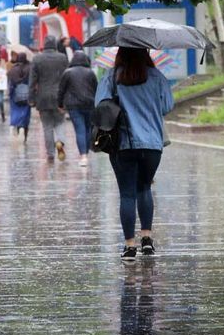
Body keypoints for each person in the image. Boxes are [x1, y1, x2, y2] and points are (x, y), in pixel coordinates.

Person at [95, 47, 174, 261]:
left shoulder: (112, 76)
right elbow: (167, 106)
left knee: (127, 193)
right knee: (144, 188)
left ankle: (129, 246)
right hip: (152, 144)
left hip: (123, 143)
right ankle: (147, 240)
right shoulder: (157, 76)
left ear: (120, 53)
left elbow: (100, 106)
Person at [29, 35, 69, 162]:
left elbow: (32, 81)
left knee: (47, 126)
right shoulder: (62, 58)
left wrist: (31, 99)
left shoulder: (37, 59)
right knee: (60, 122)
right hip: (59, 97)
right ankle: (60, 141)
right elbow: (67, 77)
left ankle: (50, 154)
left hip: (43, 97)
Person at [58, 51, 98, 167]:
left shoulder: (68, 72)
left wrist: (60, 104)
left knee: (80, 130)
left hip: (73, 106)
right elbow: (96, 88)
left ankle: (83, 156)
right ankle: (86, 152)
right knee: (87, 129)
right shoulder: (90, 72)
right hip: (89, 104)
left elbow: (61, 90)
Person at [7, 52, 32, 143]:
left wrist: (10, 94)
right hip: (27, 95)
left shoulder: (13, 70)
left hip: (15, 96)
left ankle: (13, 126)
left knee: (15, 112)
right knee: (25, 113)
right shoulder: (30, 68)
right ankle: (23, 130)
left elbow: (10, 84)